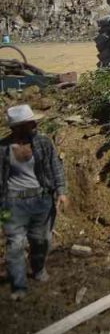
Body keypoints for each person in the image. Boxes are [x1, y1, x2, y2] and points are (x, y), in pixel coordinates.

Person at [2, 104, 68, 301]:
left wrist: (61, 191)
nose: (33, 125)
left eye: (33, 122)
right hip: (13, 202)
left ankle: (38, 269)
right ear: (17, 127)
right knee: (15, 243)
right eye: (29, 123)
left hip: (41, 200)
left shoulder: (42, 143)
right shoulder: (3, 148)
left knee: (42, 241)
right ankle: (18, 283)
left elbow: (55, 166)